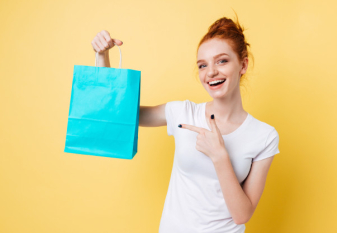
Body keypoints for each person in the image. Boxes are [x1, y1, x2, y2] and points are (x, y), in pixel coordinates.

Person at [92, 13, 280, 233]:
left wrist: (219, 156)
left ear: (243, 64)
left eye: (222, 61)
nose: (211, 72)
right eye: (202, 65)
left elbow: (242, 215)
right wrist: (101, 56)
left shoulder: (264, 136)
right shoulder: (183, 113)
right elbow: (117, 116)